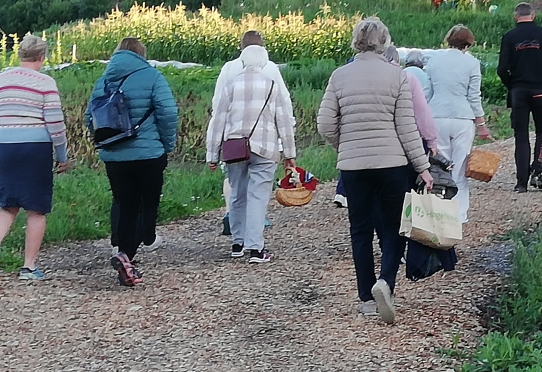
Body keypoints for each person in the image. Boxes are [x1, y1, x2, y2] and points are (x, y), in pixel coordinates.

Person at [317, 17, 433, 325]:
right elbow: (407, 127)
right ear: (384, 42)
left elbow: (325, 124)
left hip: (354, 166)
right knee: (395, 228)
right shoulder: (398, 77)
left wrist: (346, 145)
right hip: (392, 164)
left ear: (356, 40)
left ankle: (366, 299)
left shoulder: (339, 76)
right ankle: (386, 283)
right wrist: (422, 166)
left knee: (360, 230)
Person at [86, 38, 178, 286]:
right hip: (149, 153)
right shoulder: (152, 76)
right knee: (147, 204)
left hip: (114, 155)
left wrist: (106, 141)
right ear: (141, 54)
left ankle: (121, 246)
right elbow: (168, 113)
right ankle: (130, 251)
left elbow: (90, 116)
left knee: (123, 202)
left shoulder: (104, 79)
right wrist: (166, 144)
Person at [0, 34, 70, 281]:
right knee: (36, 208)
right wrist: (62, 155)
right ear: (42, 57)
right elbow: (55, 122)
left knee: (6, 203)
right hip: (34, 147)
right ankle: (28, 267)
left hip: (1, 145)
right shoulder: (45, 82)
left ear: (20, 55)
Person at [205, 39, 296, 264]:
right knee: (257, 196)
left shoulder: (230, 85)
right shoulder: (272, 84)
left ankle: (237, 243)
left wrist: (212, 154)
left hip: (235, 147)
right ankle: (256, 248)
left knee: (237, 193)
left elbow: (218, 120)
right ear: (264, 61)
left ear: (243, 60)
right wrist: (289, 154)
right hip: (265, 147)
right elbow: (283, 121)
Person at [423, 25, 492, 224]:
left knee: (439, 166)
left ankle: (438, 211)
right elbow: (474, 96)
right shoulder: (472, 63)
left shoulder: (433, 61)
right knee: (460, 168)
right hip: (463, 118)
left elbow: (428, 92)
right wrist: (481, 124)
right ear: (468, 43)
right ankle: (459, 215)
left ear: (448, 40)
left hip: (437, 117)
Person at [497, 2, 542, 193]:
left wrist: (512, 85)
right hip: (540, 89)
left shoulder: (509, 37)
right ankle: (538, 170)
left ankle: (521, 183)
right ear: (533, 16)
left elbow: (501, 69)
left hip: (518, 91)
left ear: (515, 17)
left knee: (521, 135)